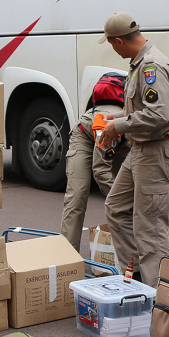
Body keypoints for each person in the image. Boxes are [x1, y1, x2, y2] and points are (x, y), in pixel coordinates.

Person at [97, 12, 169, 287]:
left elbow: (158, 115)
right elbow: (144, 110)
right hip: (141, 149)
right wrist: (116, 120)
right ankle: (134, 279)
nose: (112, 49)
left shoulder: (151, 66)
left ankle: (156, 297)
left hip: (155, 151)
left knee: (150, 228)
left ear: (119, 41)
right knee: (116, 207)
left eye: (111, 44)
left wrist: (119, 126)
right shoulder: (140, 64)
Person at [60, 73, 130, 253]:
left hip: (116, 138)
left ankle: (129, 254)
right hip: (85, 135)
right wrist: (124, 201)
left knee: (129, 189)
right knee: (77, 196)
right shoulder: (109, 127)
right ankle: (68, 257)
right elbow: (100, 171)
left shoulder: (136, 122)